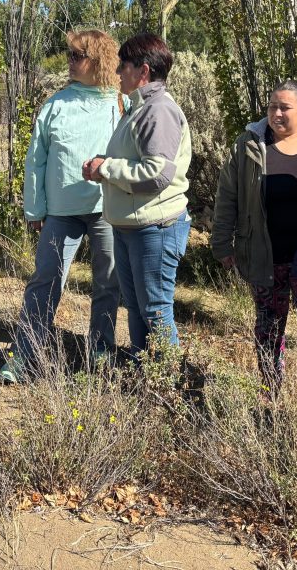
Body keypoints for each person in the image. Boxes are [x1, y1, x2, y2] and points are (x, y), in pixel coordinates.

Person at [211, 81, 297, 396]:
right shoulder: (250, 144)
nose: (276, 113)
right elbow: (228, 197)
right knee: (269, 327)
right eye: (272, 106)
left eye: (284, 107)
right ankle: (271, 391)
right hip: (265, 255)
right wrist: (222, 243)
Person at [0, 30, 124, 383]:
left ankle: (101, 352)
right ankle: (27, 353)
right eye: (68, 54)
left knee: (107, 282)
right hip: (59, 213)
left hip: (106, 209)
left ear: (97, 60)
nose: (69, 61)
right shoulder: (55, 104)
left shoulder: (120, 102)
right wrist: (35, 209)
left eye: (77, 55)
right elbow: (35, 160)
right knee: (45, 281)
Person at [82, 34, 192, 356]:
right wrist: (102, 167)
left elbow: (157, 174)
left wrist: (107, 168)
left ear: (143, 71)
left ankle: (167, 386)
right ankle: (145, 377)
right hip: (133, 226)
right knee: (137, 307)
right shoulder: (139, 108)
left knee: (156, 310)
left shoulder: (159, 111)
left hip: (155, 228)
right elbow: (134, 163)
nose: (117, 72)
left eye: (123, 65)